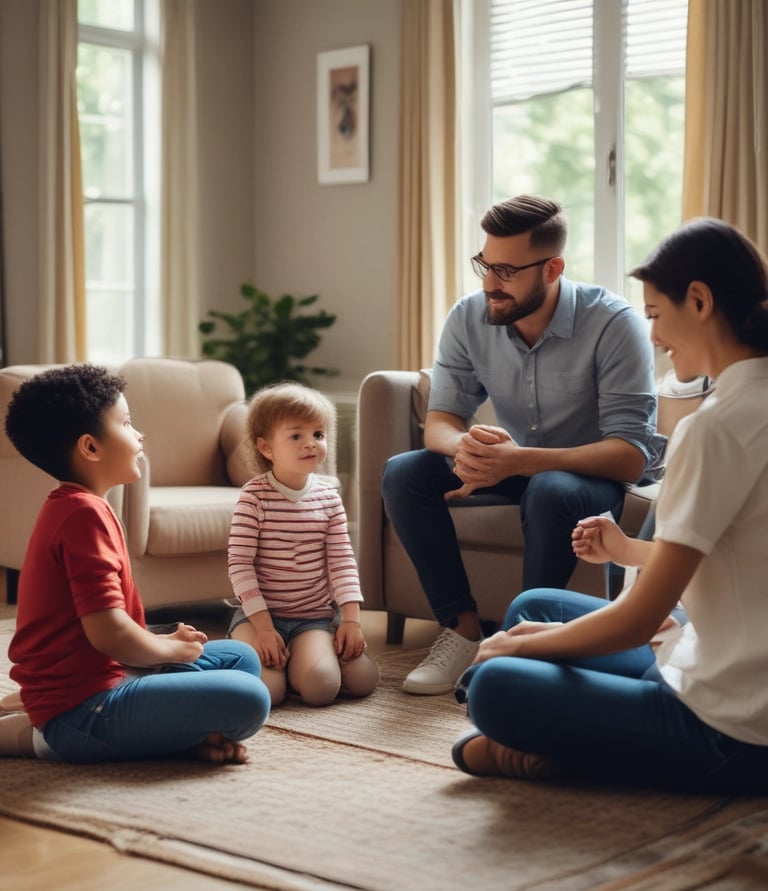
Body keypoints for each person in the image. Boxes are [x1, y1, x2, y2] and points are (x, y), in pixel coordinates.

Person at [451, 217, 768, 794]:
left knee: (497, 684)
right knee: (535, 606)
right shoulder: (749, 404)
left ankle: (577, 751)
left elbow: (637, 620)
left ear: (699, 301)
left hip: (731, 726)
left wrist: (512, 644)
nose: (655, 336)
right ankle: (575, 738)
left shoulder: (717, 428)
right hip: (705, 654)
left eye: (656, 314)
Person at [382, 194, 665, 695]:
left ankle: (524, 644)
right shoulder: (469, 317)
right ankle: (462, 631)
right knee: (404, 473)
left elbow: (628, 454)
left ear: (552, 268)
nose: (489, 283)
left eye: (507, 271)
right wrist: (470, 449)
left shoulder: (614, 323)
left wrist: (518, 460)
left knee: (551, 488)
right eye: (485, 265)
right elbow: (440, 421)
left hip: (589, 478)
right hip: (511, 464)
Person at [0, 364, 270, 763]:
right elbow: (109, 633)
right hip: (84, 706)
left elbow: (108, 633)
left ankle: (175, 731)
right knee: (250, 698)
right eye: (126, 423)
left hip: (112, 672)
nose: (139, 434)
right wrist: (167, 650)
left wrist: (166, 643)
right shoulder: (82, 516)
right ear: (91, 448)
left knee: (241, 657)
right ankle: (44, 737)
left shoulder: (81, 505)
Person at [227, 382, 379, 707]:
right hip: (260, 618)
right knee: (268, 692)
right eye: (296, 436)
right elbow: (240, 566)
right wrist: (264, 630)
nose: (311, 443)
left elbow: (342, 562)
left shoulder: (329, 498)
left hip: (312, 618)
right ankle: (267, 660)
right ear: (266, 448)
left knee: (343, 684)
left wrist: (351, 621)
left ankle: (304, 659)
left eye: (318, 434)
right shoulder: (253, 498)